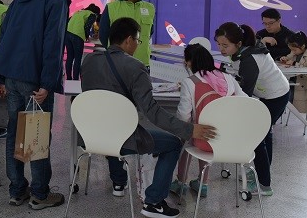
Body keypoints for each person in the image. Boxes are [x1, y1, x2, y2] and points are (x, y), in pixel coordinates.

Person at [81, 17, 216, 218]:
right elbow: (152, 112)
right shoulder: (135, 66)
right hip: (122, 138)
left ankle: (120, 182)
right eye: (138, 40)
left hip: (91, 136)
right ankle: (154, 202)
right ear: (129, 40)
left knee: (116, 128)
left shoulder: (88, 61)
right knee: (172, 144)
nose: (138, 45)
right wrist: (189, 129)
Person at [0, 0, 70, 210]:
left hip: (11, 75)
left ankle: (17, 190)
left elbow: (4, 34)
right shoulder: (56, 0)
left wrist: (1, 78)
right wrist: (47, 83)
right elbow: (53, 43)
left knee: (14, 133)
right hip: (34, 78)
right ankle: (40, 194)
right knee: (37, 134)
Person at [214, 22, 290, 196]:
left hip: (276, 96)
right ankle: (263, 173)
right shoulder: (244, 51)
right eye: (219, 44)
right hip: (269, 94)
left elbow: (244, 96)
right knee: (264, 134)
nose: (221, 49)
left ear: (239, 43)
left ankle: (264, 185)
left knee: (257, 137)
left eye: (225, 45)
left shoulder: (249, 59)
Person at [170, 43, 246, 198]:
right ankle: (203, 183)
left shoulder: (190, 82)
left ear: (189, 62)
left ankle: (181, 182)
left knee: (189, 134)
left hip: (204, 141)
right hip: (230, 140)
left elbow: (183, 116)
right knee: (207, 131)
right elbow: (245, 102)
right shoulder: (229, 78)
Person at [99, 0, 155, 67]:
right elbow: (103, 35)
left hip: (142, 63)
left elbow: (149, 32)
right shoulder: (112, 8)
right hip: (117, 63)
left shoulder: (150, 8)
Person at [64, 3, 100, 80]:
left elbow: (68, 20)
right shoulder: (92, 14)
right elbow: (87, 26)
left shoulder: (79, 12)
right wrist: (87, 36)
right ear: (96, 13)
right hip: (77, 35)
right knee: (78, 59)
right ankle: (75, 79)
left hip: (67, 34)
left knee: (70, 57)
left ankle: (69, 78)